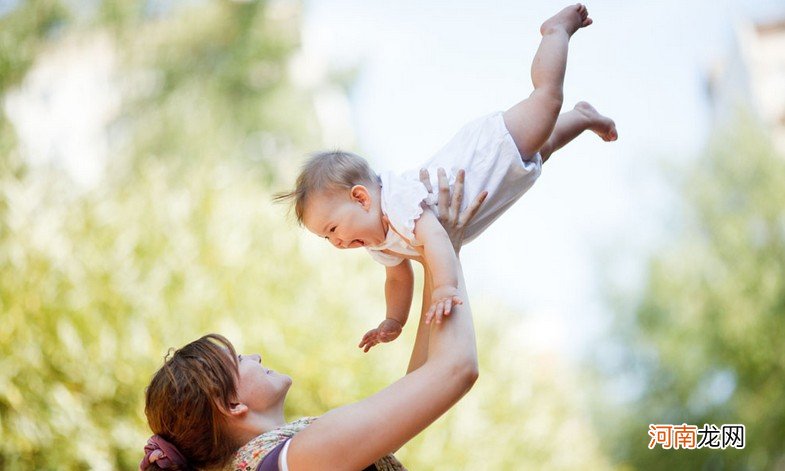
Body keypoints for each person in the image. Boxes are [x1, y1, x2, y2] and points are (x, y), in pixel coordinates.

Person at [274, 4, 617, 352]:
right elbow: (397, 278)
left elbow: (436, 237)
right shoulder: (379, 241)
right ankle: (584, 116)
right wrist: (394, 320)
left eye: (332, 229)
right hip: (500, 180)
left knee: (545, 102)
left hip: (489, 153)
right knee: (547, 144)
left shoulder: (397, 200)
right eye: (325, 238)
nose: (335, 243)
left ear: (361, 197)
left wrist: (445, 287)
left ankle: (554, 32)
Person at [140, 172, 486, 471]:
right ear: (231, 404)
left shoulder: (281, 458)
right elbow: (454, 370)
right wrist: (447, 255)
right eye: (240, 360)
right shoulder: (299, 457)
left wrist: (434, 258)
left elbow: (422, 382)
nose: (256, 356)